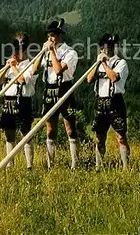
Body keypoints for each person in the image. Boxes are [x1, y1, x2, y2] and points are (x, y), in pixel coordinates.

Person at [32, 18, 79, 169]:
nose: (49, 38)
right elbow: (34, 70)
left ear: (59, 35)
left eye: (52, 35)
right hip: (49, 90)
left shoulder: (70, 52)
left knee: (69, 129)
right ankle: (50, 164)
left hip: (64, 89)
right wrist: (41, 53)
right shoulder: (46, 52)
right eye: (48, 36)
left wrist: (52, 51)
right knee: (50, 130)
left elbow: (58, 69)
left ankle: (74, 164)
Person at [0, 32, 38, 170]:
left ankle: (29, 166)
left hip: (23, 101)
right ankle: (9, 166)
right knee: (9, 133)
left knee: (26, 133)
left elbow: (22, 80)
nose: (15, 53)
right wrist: (7, 67)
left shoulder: (30, 65)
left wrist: (13, 66)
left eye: (17, 50)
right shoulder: (10, 64)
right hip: (8, 101)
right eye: (14, 50)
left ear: (24, 51)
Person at [87, 33, 130, 170]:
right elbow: (89, 79)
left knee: (120, 136)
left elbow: (114, 78)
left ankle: (125, 167)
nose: (107, 49)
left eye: (110, 46)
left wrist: (104, 63)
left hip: (115, 102)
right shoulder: (97, 63)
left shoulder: (121, 63)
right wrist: (98, 62)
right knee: (99, 137)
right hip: (100, 101)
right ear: (101, 48)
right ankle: (99, 166)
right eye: (104, 47)